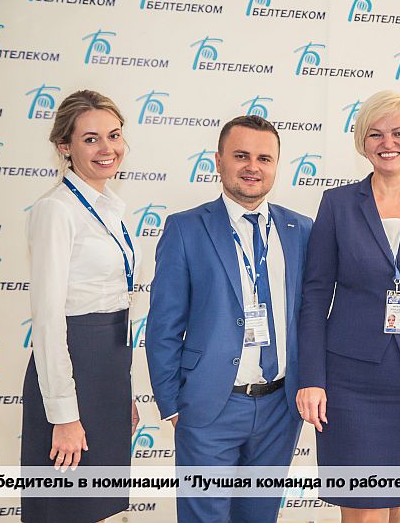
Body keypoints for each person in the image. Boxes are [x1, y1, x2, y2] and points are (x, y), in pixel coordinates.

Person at [297, 90, 400, 523]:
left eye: (399, 133)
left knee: (393, 505)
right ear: (362, 142)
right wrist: (311, 378)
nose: (388, 143)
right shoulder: (337, 204)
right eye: (375, 134)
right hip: (349, 381)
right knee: (363, 507)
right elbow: (314, 297)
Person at [145, 115, 312, 523]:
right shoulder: (186, 229)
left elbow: (313, 317)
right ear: (218, 161)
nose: (253, 167)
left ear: (276, 165)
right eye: (241, 156)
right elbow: (163, 325)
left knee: (259, 516)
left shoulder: (301, 229)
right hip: (208, 407)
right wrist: (172, 404)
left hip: (279, 408)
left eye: (264, 158)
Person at [22, 90, 139, 522]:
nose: (107, 148)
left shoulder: (109, 208)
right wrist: (63, 415)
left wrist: (123, 391)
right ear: (64, 146)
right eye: (91, 139)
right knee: (65, 509)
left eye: (114, 135)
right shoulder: (56, 210)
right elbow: (49, 320)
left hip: (107, 373)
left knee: (100, 508)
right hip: (72, 373)